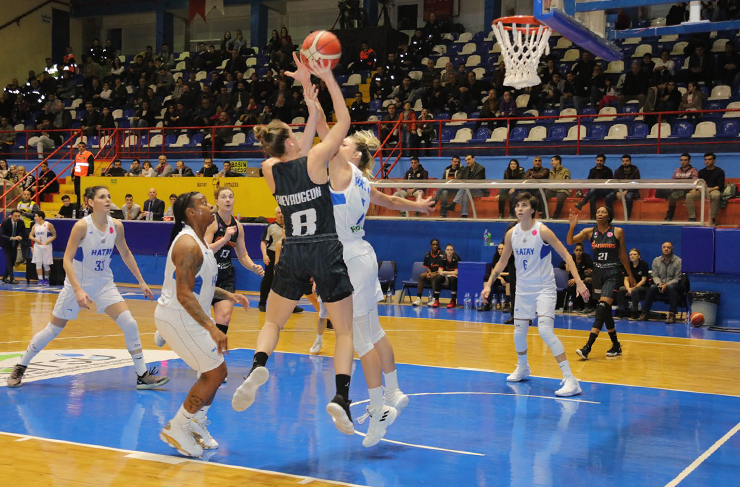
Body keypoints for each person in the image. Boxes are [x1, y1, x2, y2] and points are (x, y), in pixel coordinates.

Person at [231, 57, 357, 436]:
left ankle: (257, 366)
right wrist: (324, 81)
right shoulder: (315, 159)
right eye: (293, 132)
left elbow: (296, 146)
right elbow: (344, 122)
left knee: (273, 321)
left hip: (293, 249)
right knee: (344, 331)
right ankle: (341, 398)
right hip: (324, 247)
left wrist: (309, 102)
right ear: (290, 140)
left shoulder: (269, 170)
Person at [314, 116, 432, 444]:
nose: (338, 145)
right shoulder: (363, 181)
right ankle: (392, 391)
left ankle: (379, 409)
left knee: (359, 339)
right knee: (373, 331)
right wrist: (417, 206)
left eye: (345, 144)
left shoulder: (344, 171)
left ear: (354, 155)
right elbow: (391, 201)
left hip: (349, 258)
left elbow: (325, 133)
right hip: (363, 254)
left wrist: (316, 108)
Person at [6, 186, 169, 389]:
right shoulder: (82, 226)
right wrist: (77, 290)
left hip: (104, 284)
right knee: (53, 329)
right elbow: (67, 260)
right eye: (102, 197)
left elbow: (126, 252)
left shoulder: (117, 225)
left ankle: (142, 375)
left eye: (109, 196)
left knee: (130, 324)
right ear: (91, 202)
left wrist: (141, 281)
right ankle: (21, 365)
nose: (107, 200)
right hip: (78, 284)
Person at [154, 192, 248, 458]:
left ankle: (194, 422)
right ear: (191, 213)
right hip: (179, 316)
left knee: (216, 372)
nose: (209, 207)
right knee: (215, 373)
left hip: (187, 316)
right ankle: (178, 426)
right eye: (204, 203)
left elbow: (201, 286)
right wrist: (212, 326)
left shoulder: (201, 243)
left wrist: (228, 295)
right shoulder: (187, 245)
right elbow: (184, 294)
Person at [482, 192, 589, 397]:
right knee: (518, 332)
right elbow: (502, 262)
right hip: (523, 290)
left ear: (533, 210)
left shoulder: (542, 231)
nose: (519, 208)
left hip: (544, 288)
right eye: (517, 205)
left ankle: (571, 380)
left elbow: (566, 255)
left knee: (545, 331)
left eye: (524, 205)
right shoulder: (511, 234)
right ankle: (523, 367)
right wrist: (488, 285)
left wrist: (579, 281)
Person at [568, 206, 635, 360]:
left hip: (613, 272)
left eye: (603, 212)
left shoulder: (617, 231)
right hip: (598, 274)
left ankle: (587, 347)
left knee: (602, 308)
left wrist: (630, 275)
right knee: (605, 311)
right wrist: (572, 227)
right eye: (598, 211)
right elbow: (570, 241)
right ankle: (616, 345)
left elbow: (623, 255)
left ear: (609, 216)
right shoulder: (589, 232)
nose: (600, 214)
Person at [203, 187, 264, 337]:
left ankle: (216, 347)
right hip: (205, 275)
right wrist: (224, 239)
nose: (228, 200)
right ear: (216, 201)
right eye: (224, 197)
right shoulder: (211, 222)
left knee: (225, 316)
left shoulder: (238, 227)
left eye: (230, 196)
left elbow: (243, 255)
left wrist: (253, 267)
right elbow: (204, 250)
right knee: (195, 318)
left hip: (225, 276)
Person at [638, 242, 683, 324]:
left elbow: (677, 278)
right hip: (660, 284)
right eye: (664, 247)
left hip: (673, 285)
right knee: (652, 287)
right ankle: (645, 313)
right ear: (662, 249)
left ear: (672, 249)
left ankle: (672, 314)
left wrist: (666, 285)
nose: (666, 249)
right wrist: (659, 284)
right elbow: (654, 275)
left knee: (671, 288)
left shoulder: (678, 261)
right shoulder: (656, 260)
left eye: (668, 247)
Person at [686, 153, 725, 225]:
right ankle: (692, 218)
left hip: (713, 190)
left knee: (716, 195)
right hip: (702, 190)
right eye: (705, 159)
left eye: (709, 159)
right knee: (689, 195)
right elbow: (698, 182)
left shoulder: (720, 171)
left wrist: (710, 189)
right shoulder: (701, 172)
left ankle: (713, 218)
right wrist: (697, 189)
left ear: (714, 161)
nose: (707, 161)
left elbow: (720, 185)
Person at [258, 207, 284, 312]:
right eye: (278, 212)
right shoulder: (271, 227)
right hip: (272, 254)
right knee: (268, 279)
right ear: (275, 215)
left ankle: (290, 305)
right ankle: (262, 303)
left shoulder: (290, 226)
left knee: (288, 281)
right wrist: (265, 255)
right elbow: (263, 242)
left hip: (286, 255)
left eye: (282, 212)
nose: (281, 214)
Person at [574, 154, 613, 220]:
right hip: (594, 191)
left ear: (604, 161)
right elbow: (589, 181)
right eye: (598, 160)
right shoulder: (592, 170)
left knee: (594, 189)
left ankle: (582, 203)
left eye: (601, 161)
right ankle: (593, 217)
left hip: (605, 190)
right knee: (592, 197)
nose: (599, 162)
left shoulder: (608, 171)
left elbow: (609, 183)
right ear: (596, 160)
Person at [604, 154, 641, 220]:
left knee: (629, 197)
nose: (625, 162)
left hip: (631, 191)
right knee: (608, 197)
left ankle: (627, 218)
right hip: (619, 190)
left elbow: (636, 183)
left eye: (627, 161)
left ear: (630, 161)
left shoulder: (635, 171)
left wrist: (626, 191)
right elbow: (614, 183)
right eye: (623, 161)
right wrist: (617, 192)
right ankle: (611, 217)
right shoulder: (617, 171)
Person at [616, 248, 650, 320]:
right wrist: (628, 289)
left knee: (634, 290)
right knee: (621, 289)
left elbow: (643, 280)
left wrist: (634, 288)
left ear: (639, 256)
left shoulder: (644, 265)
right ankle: (621, 311)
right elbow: (626, 279)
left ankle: (635, 313)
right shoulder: (627, 265)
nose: (632, 256)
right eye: (631, 255)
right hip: (631, 286)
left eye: (634, 254)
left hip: (642, 286)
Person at [559, 242, 593, 312]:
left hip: (583, 280)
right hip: (573, 281)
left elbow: (588, 272)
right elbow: (560, 265)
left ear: (582, 251)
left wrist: (577, 280)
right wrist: (565, 265)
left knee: (586, 284)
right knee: (571, 285)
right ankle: (576, 306)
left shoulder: (587, 259)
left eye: (580, 250)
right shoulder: (571, 258)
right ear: (574, 251)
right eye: (577, 250)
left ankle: (587, 306)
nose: (578, 252)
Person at [665, 153, 699, 221]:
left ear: (689, 161)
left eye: (685, 160)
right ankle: (669, 217)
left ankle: (670, 217)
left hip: (687, 191)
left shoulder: (693, 171)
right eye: (681, 160)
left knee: (673, 196)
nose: (683, 162)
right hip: (677, 190)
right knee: (669, 194)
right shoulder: (677, 170)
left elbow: (694, 183)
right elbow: (673, 182)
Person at [412, 238, 445, 307]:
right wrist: (429, 272)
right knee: (421, 275)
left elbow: (441, 269)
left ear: (438, 245)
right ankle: (418, 299)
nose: (435, 246)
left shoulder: (442, 255)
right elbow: (427, 267)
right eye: (433, 244)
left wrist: (432, 273)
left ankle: (434, 299)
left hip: (440, 275)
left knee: (433, 276)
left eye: (436, 245)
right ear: (431, 245)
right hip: (431, 274)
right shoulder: (427, 255)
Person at [29, 211, 56, 285]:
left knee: (46, 264)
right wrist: (36, 240)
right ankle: (40, 279)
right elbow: (30, 236)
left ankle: (47, 278)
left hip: (46, 246)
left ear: (40, 217)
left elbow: (54, 235)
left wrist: (47, 242)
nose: (34, 218)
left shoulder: (48, 224)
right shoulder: (35, 226)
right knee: (38, 263)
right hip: (37, 246)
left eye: (36, 216)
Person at [1, 210, 27, 284]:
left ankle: (4, 277)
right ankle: (12, 278)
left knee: (13, 261)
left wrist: (20, 237)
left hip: (14, 243)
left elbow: (24, 233)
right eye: (15, 216)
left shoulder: (21, 222)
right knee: (9, 259)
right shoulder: (5, 222)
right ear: (11, 216)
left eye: (19, 216)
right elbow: (1, 234)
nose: (17, 218)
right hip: (5, 243)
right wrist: (12, 238)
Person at [546, 155, 571, 219]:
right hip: (553, 190)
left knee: (560, 197)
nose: (551, 163)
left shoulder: (565, 171)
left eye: (552, 161)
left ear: (558, 161)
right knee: (543, 194)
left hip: (562, 190)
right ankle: (544, 214)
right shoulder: (551, 171)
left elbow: (566, 182)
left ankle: (556, 215)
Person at [72, 141, 94, 206]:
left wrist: (90, 173)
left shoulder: (89, 154)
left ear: (85, 148)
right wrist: (72, 174)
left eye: (82, 147)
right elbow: (75, 165)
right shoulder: (77, 155)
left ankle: (83, 204)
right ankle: (78, 204)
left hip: (84, 176)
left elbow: (91, 165)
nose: (81, 148)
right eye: (79, 147)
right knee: (77, 192)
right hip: (77, 176)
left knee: (82, 191)